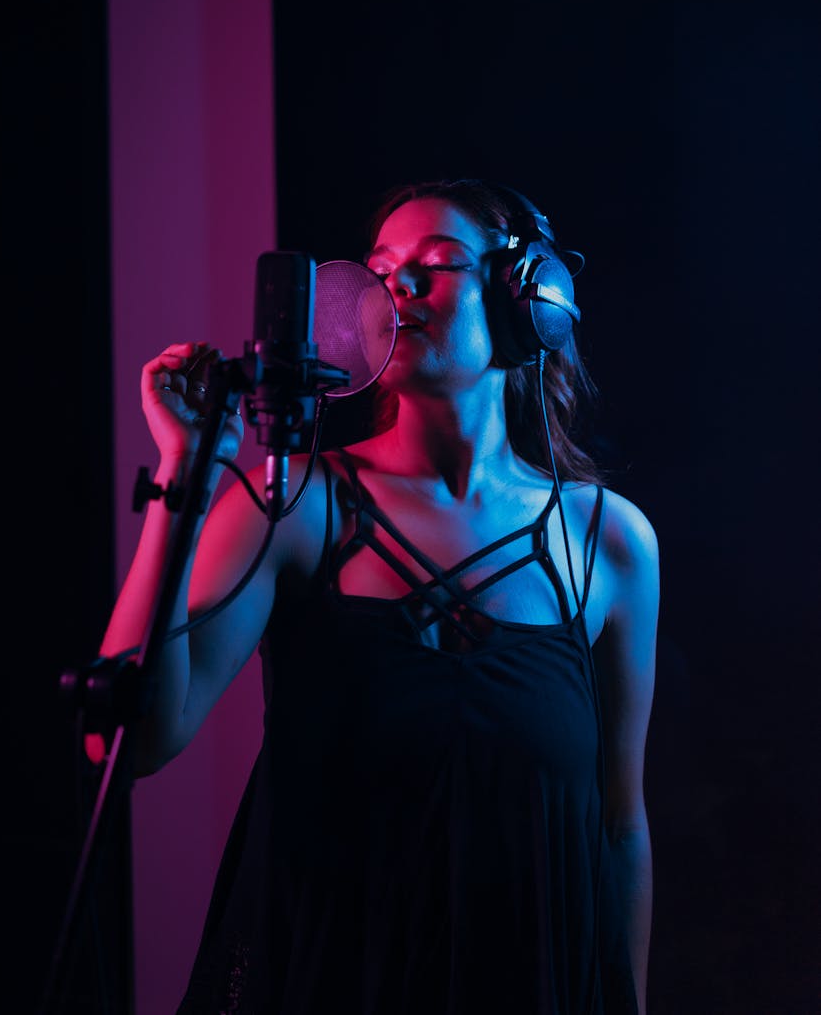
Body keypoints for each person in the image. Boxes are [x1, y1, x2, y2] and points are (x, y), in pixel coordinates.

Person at [94, 178, 659, 1015]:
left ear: (526, 300)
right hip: (329, 977)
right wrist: (185, 476)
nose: (395, 290)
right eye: (381, 270)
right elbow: (131, 742)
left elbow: (618, 827)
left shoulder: (609, 541)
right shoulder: (291, 505)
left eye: (433, 266)